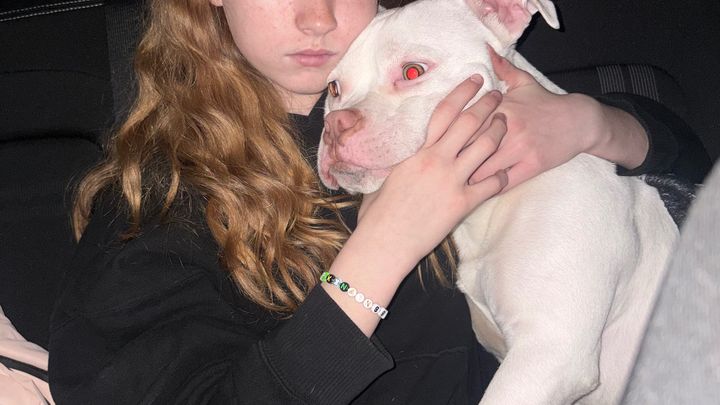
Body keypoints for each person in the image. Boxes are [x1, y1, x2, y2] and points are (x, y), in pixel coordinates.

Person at [47, 0, 710, 403]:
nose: (317, 16)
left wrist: (595, 125)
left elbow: (680, 177)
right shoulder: (158, 204)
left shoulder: (432, 72)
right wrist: (379, 252)